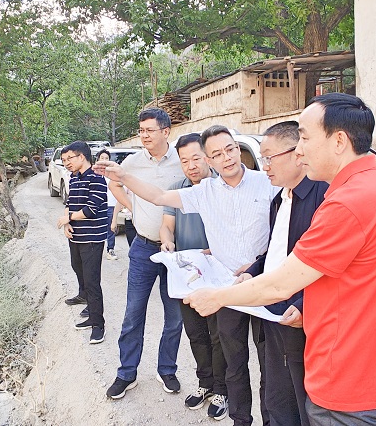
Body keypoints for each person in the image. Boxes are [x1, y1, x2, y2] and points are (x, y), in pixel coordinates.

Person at [183, 93, 376, 426]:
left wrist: (217, 297)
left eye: (305, 139)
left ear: (339, 141)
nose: (298, 151)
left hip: (350, 376)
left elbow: (281, 284)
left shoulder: (349, 202)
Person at [96, 124, 278, 425]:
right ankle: (240, 420)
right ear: (210, 159)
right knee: (234, 364)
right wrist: (124, 177)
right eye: (217, 154)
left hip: (264, 284)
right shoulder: (204, 193)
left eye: (230, 149)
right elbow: (158, 196)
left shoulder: (268, 184)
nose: (226, 158)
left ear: (238, 149)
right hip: (227, 290)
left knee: (271, 366)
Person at [235, 121, 328, 426]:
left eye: (269, 158)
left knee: (302, 398)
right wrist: (253, 272)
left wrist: (305, 306)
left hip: (299, 315)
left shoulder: (324, 197)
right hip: (272, 310)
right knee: (275, 392)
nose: (265, 166)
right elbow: (276, 252)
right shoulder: (280, 198)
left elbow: (328, 266)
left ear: (296, 153)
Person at [103, 108, 185, 400]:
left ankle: (167, 370)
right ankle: (126, 373)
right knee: (133, 313)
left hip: (177, 251)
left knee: (174, 316)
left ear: (166, 131)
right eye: (141, 130)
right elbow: (115, 183)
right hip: (143, 247)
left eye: (150, 130)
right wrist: (132, 206)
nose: (144, 135)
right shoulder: (132, 163)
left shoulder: (182, 160)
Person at [158, 133, 229, 421]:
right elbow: (167, 225)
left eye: (196, 158)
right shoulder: (176, 190)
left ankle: (222, 390)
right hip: (187, 275)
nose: (191, 166)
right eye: (184, 161)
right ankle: (205, 383)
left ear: (207, 157)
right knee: (196, 333)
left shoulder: (223, 187)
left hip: (218, 273)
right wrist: (167, 241)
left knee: (218, 335)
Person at [56, 141, 108, 344]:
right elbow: (69, 203)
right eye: (63, 160)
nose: (66, 163)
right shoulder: (74, 178)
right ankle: (91, 313)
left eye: (69, 158)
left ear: (82, 156)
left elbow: (92, 209)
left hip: (92, 238)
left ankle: (98, 325)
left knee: (92, 281)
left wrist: (68, 218)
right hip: (76, 236)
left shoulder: (97, 178)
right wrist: (67, 223)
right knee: (78, 269)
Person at [96, 149, 118, 261]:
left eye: (106, 158)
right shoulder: (95, 174)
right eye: (102, 158)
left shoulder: (113, 174)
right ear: (98, 160)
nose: (104, 160)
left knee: (111, 228)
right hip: (98, 206)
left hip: (111, 205)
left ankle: (110, 249)